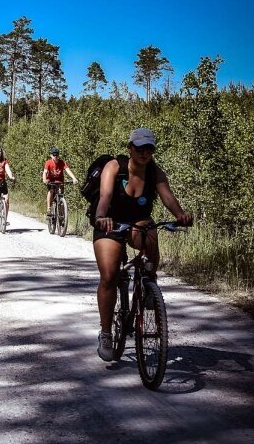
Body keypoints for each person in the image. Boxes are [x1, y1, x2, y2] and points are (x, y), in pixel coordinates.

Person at [93, 128, 193, 361]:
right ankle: (106, 333)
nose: (145, 153)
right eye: (140, 148)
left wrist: (180, 214)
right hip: (111, 222)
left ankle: (149, 283)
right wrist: (101, 216)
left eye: (149, 149)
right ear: (130, 148)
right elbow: (105, 197)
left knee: (150, 233)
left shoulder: (154, 172)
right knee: (109, 276)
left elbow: (167, 196)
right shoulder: (115, 167)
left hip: (138, 220)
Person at [42, 147, 78, 215]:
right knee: (51, 191)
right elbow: (45, 172)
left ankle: (61, 213)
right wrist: (44, 179)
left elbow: (67, 170)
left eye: (57, 155)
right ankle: (49, 208)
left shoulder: (62, 162)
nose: (55, 156)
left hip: (60, 181)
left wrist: (74, 178)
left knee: (61, 195)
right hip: (51, 181)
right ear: (51, 155)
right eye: (54, 155)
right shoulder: (48, 163)